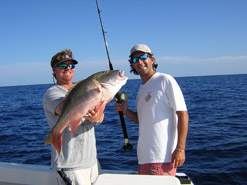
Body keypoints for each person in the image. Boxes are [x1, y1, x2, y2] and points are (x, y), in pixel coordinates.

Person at [115, 44, 189, 176]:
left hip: (161, 158)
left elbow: (182, 114)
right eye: (135, 60)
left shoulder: (165, 80)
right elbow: (141, 119)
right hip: (144, 158)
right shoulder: (142, 88)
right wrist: (125, 111)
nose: (139, 62)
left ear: (152, 60)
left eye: (143, 57)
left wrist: (180, 149)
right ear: (131, 65)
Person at [43, 49, 104, 185]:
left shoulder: (83, 89)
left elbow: (100, 118)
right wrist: (88, 92)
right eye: (63, 66)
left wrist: (96, 118)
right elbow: (61, 108)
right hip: (70, 165)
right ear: (54, 70)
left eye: (71, 65)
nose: (68, 69)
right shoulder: (52, 93)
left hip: (92, 162)